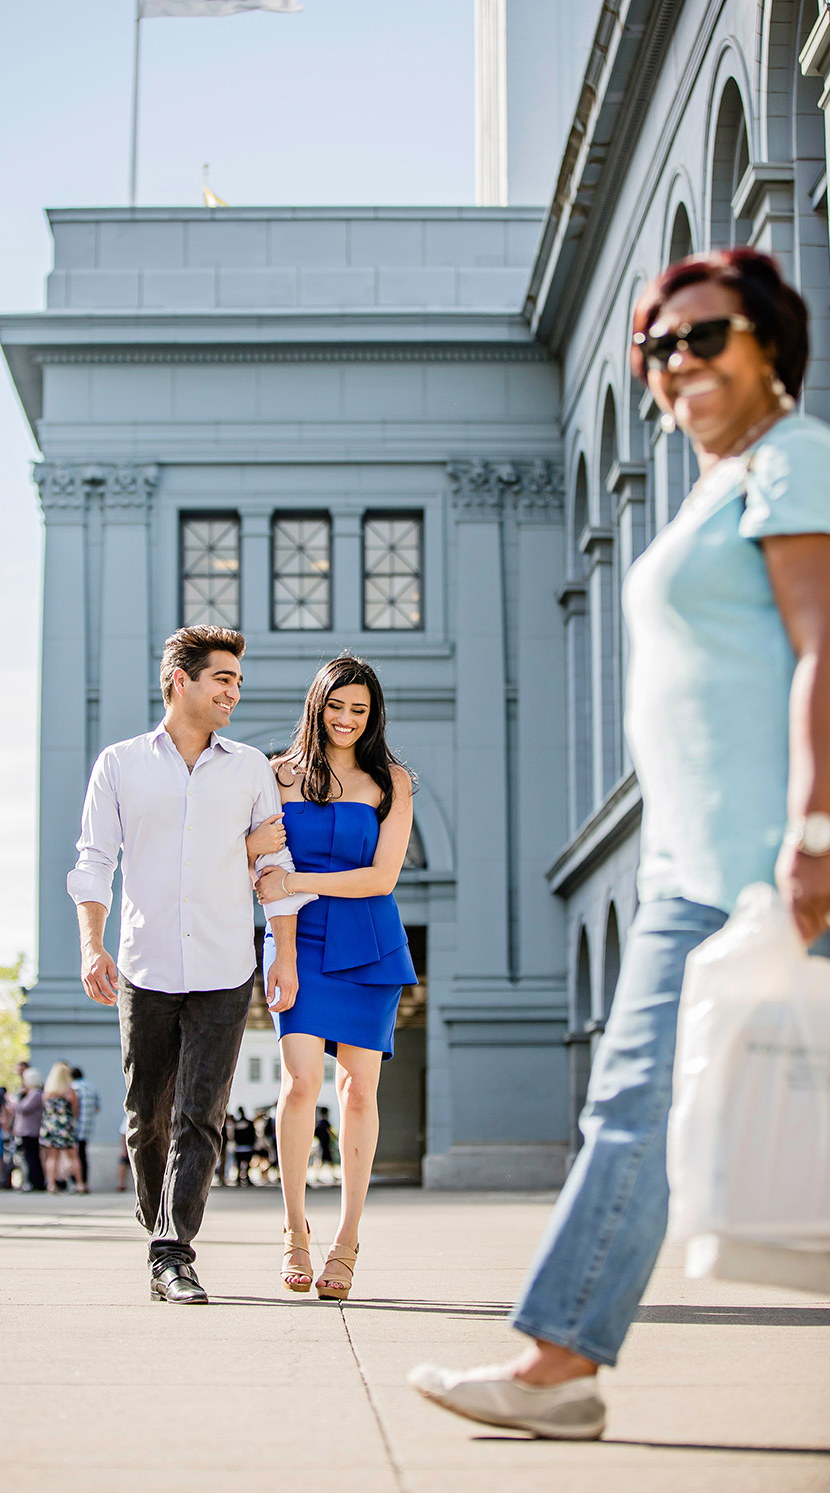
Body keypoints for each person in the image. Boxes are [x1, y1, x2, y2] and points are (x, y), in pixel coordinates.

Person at [413, 248, 830, 1441]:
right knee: (634, 1109)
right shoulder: (715, 485)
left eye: (706, 335)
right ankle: (559, 1363)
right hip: (691, 865)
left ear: (768, 344)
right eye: (658, 346)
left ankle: (553, 1363)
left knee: (634, 1106)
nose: (677, 361)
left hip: (765, 860)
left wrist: (809, 834)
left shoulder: (793, 460)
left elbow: (820, 650)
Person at [69, 625, 312, 1304]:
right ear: (182, 679)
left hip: (226, 965)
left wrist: (282, 954)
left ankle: (173, 1252)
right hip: (145, 967)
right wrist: (94, 944)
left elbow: (276, 866)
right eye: (223, 679)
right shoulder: (120, 764)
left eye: (237, 679)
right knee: (146, 1115)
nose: (235, 690)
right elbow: (94, 861)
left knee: (200, 1115)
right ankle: (159, 1226)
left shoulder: (249, 769)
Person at [254, 653, 418, 1300]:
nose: (347, 719)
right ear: (316, 704)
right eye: (336, 705)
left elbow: (382, 877)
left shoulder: (392, 781)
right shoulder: (275, 776)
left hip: (370, 943)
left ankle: (347, 1240)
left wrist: (297, 879)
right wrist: (283, 931)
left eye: (360, 708)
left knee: (357, 1093)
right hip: (296, 938)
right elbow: (255, 858)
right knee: (301, 1081)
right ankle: (295, 1229)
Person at [40, 1062, 81, 1192]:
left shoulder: (47, 1093)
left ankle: (51, 1184)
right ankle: (80, 1184)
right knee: (73, 1156)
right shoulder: (69, 1092)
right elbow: (75, 1111)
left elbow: (45, 1111)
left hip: (51, 1126)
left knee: (52, 1157)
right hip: (66, 1127)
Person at [10, 1068, 45, 1191]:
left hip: (31, 1130)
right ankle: (33, 1181)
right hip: (26, 1130)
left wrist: (17, 1098)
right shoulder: (30, 1094)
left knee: (32, 1157)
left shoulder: (36, 1094)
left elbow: (22, 1108)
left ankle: (36, 1182)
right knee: (29, 1157)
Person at [69, 1065, 99, 1190]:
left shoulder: (74, 1088)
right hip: (88, 1126)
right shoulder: (91, 1087)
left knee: (75, 1155)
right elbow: (97, 1107)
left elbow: (74, 1107)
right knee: (83, 1154)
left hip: (76, 1126)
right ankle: (84, 1182)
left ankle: (78, 1182)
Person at [229, 1108, 257, 1188]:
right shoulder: (249, 1123)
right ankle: (245, 1177)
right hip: (246, 1147)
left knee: (239, 1164)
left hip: (240, 1147)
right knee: (247, 1163)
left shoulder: (237, 1124)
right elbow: (253, 1135)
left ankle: (239, 1177)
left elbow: (233, 1136)